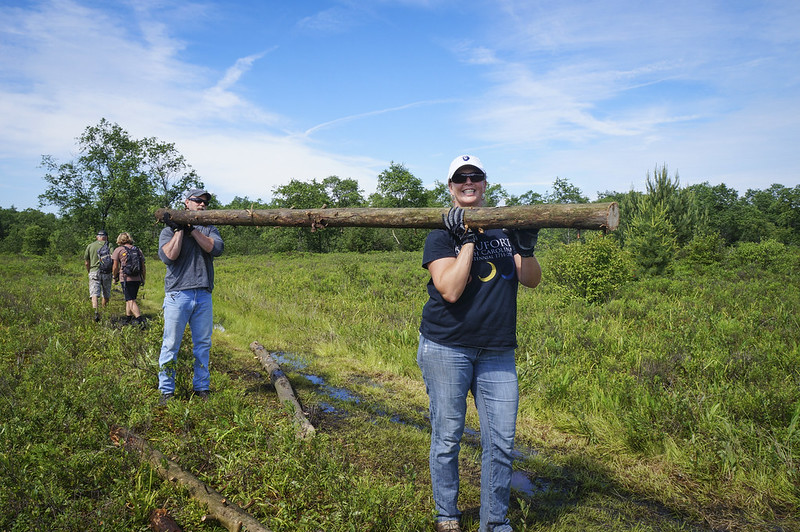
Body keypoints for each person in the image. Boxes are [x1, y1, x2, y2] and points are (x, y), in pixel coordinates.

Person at [417, 155, 542, 532]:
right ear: (450, 185)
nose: (468, 182)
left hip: (498, 350)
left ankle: (494, 521)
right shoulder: (439, 234)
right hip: (447, 347)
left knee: (501, 442)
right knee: (448, 436)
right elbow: (451, 290)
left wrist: (528, 247)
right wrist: (467, 239)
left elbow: (531, 280)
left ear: (485, 183)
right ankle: (447, 515)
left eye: (475, 177)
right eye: (460, 178)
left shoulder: (506, 230)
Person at [157, 189, 224, 405]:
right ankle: (166, 391)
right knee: (171, 344)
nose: (202, 204)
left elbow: (215, 249)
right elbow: (169, 256)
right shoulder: (168, 231)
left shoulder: (209, 228)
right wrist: (180, 230)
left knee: (203, 344)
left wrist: (192, 229)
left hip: (203, 294)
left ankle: (202, 388)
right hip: (178, 294)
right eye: (198, 201)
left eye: (205, 202)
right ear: (187, 203)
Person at [112, 232, 146, 326]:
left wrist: (115, 277)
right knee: (130, 299)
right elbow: (143, 266)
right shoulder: (137, 249)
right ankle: (128, 319)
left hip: (126, 278)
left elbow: (115, 267)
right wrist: (143, 278)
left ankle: (140, 320)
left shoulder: (118, 250)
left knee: (131, 300)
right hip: (137, 278)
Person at [83, 229, 113, 322]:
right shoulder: (109, 245)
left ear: (97, 237)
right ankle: (104, 311)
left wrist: (89, 271)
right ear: (106, 237)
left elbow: (86, 262)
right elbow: (113, 258)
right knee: (106, 292)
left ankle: (96, 312)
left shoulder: (90, 246)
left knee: (94, 293)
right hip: (106, 272)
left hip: (94, 271)